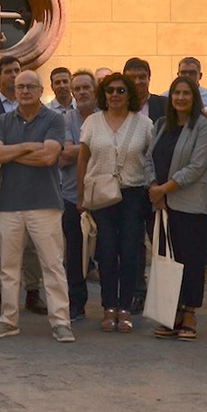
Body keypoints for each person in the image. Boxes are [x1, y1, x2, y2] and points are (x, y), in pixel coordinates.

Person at [0, 71, 74, 342]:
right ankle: (8, 320)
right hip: (8, 205)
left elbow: (49, 156)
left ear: (40, 90)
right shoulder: (2, 120)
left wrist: (10, 154)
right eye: (20, 86)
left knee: (53, 266)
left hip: (45, 204)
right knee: (8, 269)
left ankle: (61, 321)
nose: (24, 90)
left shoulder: (54, 119)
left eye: (30, 87)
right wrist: (26, 146)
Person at [78, 72, 153, 334]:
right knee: (107, 251)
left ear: (129, 94)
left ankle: (126, 307)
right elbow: (82, 159)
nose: (115, 95)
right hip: (101, 194)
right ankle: (109, 306)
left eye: (121, 91)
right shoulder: (92, 122)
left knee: (131, 251)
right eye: (110, 90)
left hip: (133, 193)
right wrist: (80, 197)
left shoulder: (144, 124)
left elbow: (150, 160)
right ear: (104, 94)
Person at [148, 76, 207, 340]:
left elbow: (197, 167)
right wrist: (154, 187)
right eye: (176, 93)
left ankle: (189, 313)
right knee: (168, 261)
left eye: (186, 93)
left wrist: (164, 189)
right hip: (162, 205)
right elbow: (148, 159)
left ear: (194, 97)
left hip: (190, 206)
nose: (181, 98)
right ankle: (170, 313)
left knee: (191, 261)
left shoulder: (202, 126)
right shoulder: (162, 125)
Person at [56, 70, 97, 320]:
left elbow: (74, 152)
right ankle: (76, 303)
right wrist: (96, 148)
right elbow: (64, 154)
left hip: (105, 194)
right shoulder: (66, 119)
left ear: (95, 91)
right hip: (72, 195)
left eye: (86, 88)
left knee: (107, 251)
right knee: (74, 252)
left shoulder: (105, 117)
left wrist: (78, 151)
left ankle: (113, 304)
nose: (81, 92)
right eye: (77, 88)